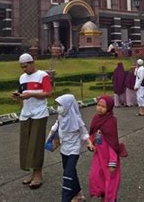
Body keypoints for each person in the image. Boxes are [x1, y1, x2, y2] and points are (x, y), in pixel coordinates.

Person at [14, 53, 53, 189]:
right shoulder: (22, 78)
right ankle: (31, 173)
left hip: (39, 114)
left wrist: (32, 94)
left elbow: (48, 93)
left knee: (36, 145)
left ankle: (38, 174)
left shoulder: (42, 75)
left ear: (32, 63)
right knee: (26, 145)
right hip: (26, 114)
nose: (24, 69)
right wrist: (18, 96)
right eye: (22, 67)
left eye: (25, 66)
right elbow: (22, 93)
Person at [48, 94, 93, 202]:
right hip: (64, 149)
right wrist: (48, 139)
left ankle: (66, 198)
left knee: (67, 174)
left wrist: (89, 143)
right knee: (70, 171)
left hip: (74, 150)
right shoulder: (60, 117)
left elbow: (84, 133)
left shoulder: (77, 119)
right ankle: (78, 194)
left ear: (68, 106)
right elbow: (55, 127)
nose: (59, 108)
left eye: (61, 105)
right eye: (58, 105)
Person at [89, 96, 122, 202]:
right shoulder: (96, 118)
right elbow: (93, 134)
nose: (99, 108)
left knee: (110, 179)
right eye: (98, 105)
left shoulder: (111, 121)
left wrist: (113, 162)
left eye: (103, 106)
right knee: (95, 175)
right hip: (98, 155)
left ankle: (111, 198)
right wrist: (91, 143)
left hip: (109, 157)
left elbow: (113, 143)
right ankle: (103, 193)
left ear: (109, 108)